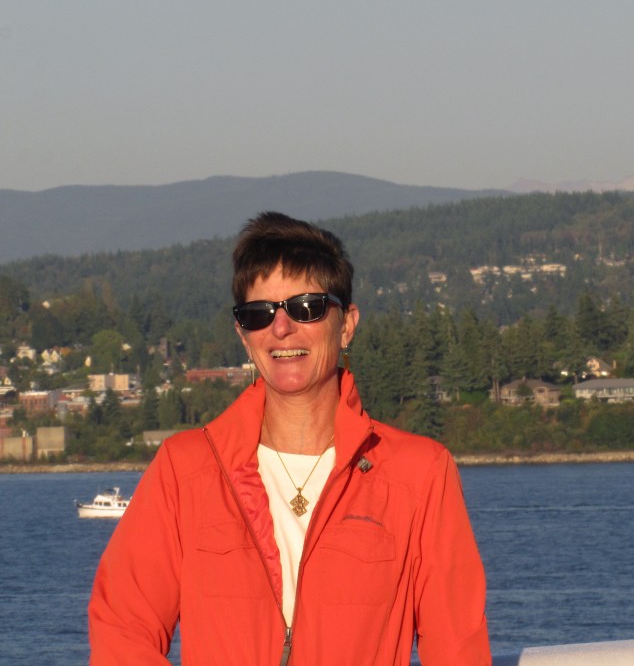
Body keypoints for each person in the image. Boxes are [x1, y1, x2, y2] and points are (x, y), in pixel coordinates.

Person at [89, 211, 491, 665]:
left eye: (306, 307)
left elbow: (458, 647)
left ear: (347, 323)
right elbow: (122, 630)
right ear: (243, 335)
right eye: (259, 314)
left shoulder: (420, 474)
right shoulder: (186, 469)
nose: (281, 329)